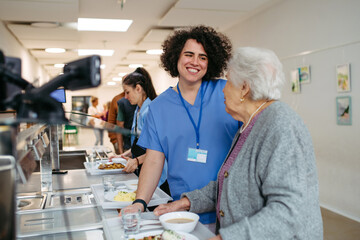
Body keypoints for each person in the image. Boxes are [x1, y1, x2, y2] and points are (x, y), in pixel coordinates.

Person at [153, 47, 323, 240]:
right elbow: (231, 185)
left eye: (228, 80)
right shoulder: (249, 125)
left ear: (244, 87)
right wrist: (185, 202)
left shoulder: (281, 124)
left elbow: (288, 211)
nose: (224, 88)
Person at [124, 25, 240, 228]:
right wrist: (140, 202)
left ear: (210, 61)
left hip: (229, 209)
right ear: (176, 57)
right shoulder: (159, 107)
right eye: (189, 54)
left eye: (203, 57)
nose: (195, 62)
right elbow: (153, 161)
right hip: (182, 211)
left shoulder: (227, 93)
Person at [109, 68, 167, 190]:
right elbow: (140, 143)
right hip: (144, 166)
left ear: (138, 88)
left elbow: (159, 150)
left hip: (156, 173)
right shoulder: (138, 110)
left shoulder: (150, 111)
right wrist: (123, 155)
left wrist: (136, 161)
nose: (125, 97)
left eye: (127, 92)